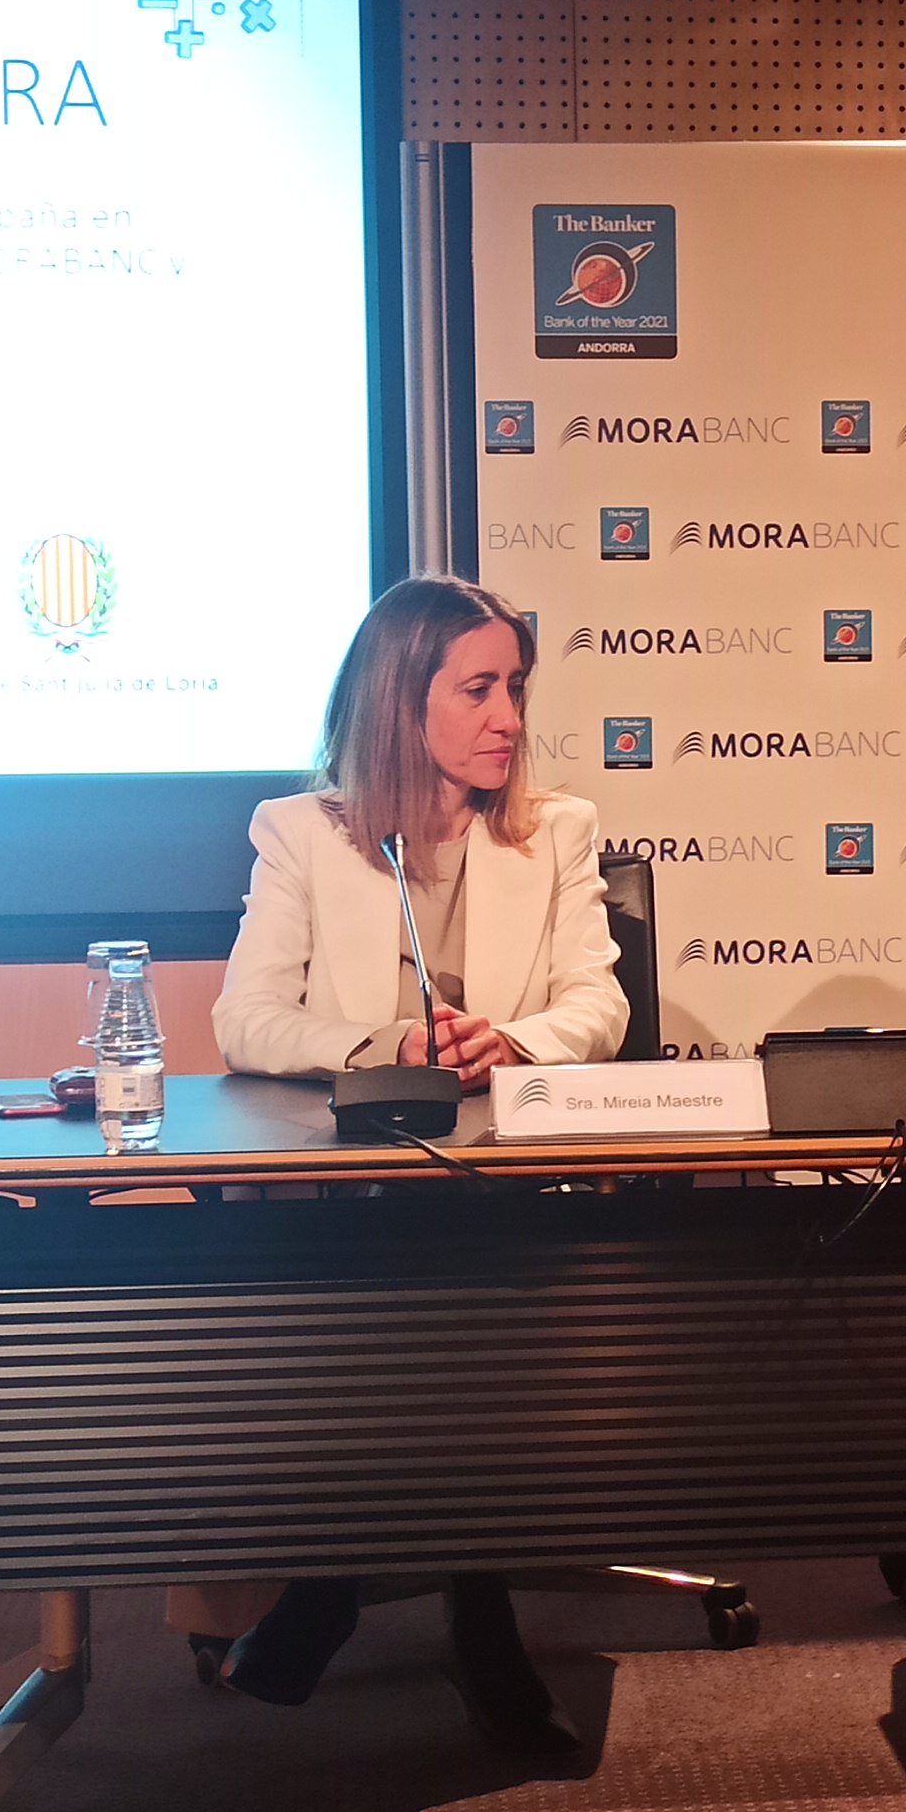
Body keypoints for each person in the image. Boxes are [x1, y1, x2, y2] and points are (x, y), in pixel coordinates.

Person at [200, 575, 628, 1752]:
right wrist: (382, 1044)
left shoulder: (556, 829)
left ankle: (390, 1591)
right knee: (393, 1294)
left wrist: (516, 1040)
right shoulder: (302, 832)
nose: (508, 717)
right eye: (479, 689)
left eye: (515, 688)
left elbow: (598, 1002)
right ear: (403, 698)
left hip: (504, 1182)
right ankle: (403, 1590)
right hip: (352, 1184)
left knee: (465, 1294)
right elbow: (247, 1021)